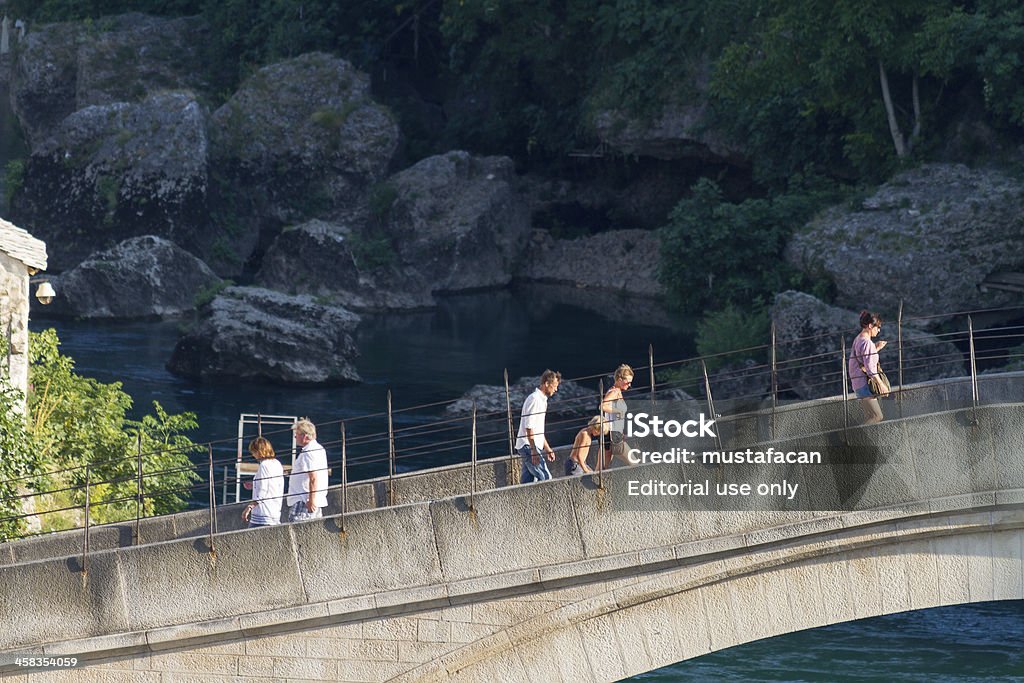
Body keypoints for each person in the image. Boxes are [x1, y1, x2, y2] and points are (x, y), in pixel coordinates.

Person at [515, 370, 561, 483]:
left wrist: (547, 448)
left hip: (530, 445)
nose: (556, 389)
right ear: (546, 384)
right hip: (528, 445)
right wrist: (533, 450)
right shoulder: (534, 399)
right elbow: (529, 426)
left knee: (528, 481)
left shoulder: (542, 401)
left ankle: (523, 500)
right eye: (554, 386)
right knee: (545, 478)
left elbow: (538, 429)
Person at [849, 310, 888, 425]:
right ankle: (855, 437)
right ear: (870, 326)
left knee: (871, 416)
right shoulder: (867, 343)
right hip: (864, 384)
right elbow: (870, 369)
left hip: (857, 383)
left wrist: (876, 349)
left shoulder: (859, 339)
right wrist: (882, 385)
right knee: (877, 416)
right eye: (878, 327)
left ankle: (857, 438)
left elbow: (863, 360)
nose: (879, 330)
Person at [287, 418, 329, 521]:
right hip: (310, 500)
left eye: (297, 434)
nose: (295, 436)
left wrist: (311, 500)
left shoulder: (309, 452)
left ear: (305, 436)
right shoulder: (318, 448)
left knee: (297, 532)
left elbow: (313, 477)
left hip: (304, 501)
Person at [242, 436, 284, 527]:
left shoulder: (264, 465)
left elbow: (263, 489)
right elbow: (272, 485)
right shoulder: (277, 463)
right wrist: (254, 485)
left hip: (262, 514)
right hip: (275, 512)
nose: (253, 455)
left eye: (253, 452)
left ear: (259, 451)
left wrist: (250, 506)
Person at [600, 364, 634, 468]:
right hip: (613, 435)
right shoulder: (614, 392)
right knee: (635, 464)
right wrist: (618, 411)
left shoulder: (617, 391)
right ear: (619, 379)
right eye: (627, 382)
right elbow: (603, 406)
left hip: (612, 434)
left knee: (603, 468)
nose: (629, 385)